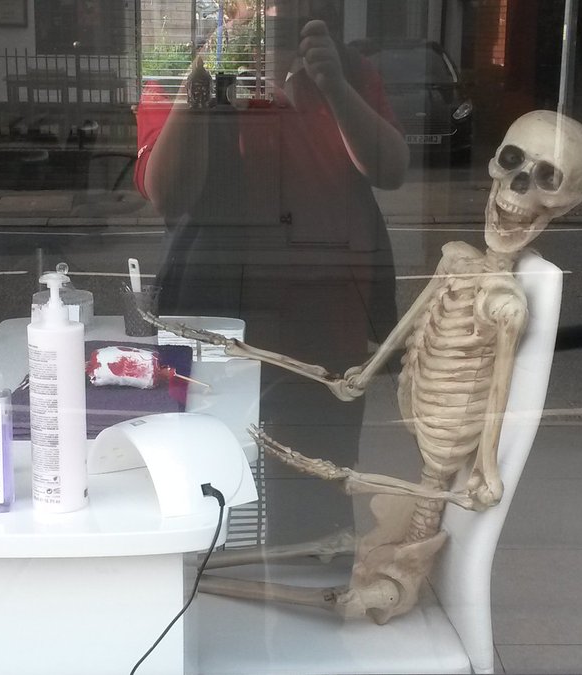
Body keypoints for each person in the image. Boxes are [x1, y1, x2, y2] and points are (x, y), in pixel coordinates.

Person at [134, 0, 409, 544]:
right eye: (246, 7)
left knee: (315, 506)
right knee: (208, 503)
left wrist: (335, 87)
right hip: (215, 321)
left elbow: (391, 169)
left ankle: (308, 575)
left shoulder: (347, 69)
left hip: (324, 323)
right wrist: (205, 74)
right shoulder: (181, 70)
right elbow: (166, 192)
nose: (264, 15)